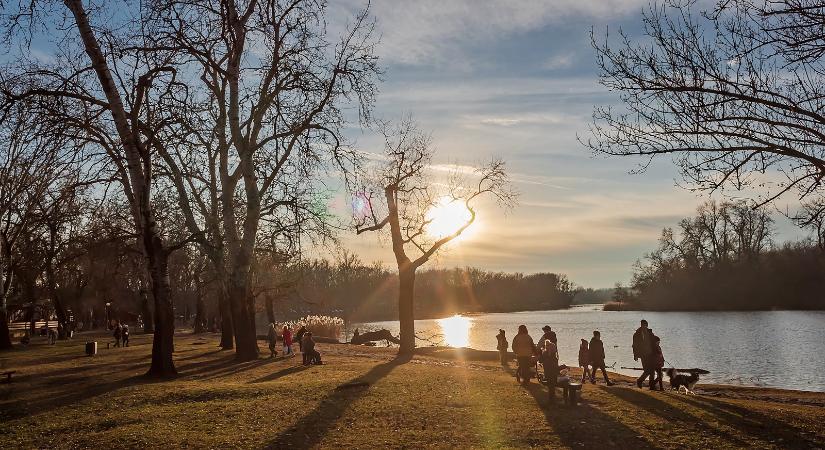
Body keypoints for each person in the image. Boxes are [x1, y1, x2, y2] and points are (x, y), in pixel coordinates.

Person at [632, 319, 655, 389]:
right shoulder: (636, 334)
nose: (644, 327)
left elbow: (654, 343)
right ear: (641, 325)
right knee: (647, 370)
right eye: (643, 325)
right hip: (643, 354)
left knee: (652, 370)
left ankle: (651, 386)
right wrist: (635, 355)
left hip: (651, 353)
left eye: (645, 325)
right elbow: (634, 345)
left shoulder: (650, 333)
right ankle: (640, 381)